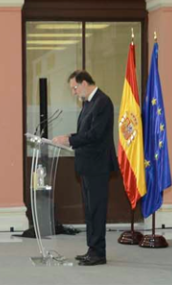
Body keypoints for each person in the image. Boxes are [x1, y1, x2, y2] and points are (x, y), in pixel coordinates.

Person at [53, 70, 117, 266]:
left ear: (84, 83)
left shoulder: (102, 102)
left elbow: (95, 135)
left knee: (97, 210)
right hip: (87, 166)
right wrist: (69, 137)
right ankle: (92, 249)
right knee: (89, 210)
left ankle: (99, 253)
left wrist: (70, 140)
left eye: (74, 88)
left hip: (97, 166)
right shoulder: (89, 103)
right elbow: (85, 132)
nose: (73, 92)